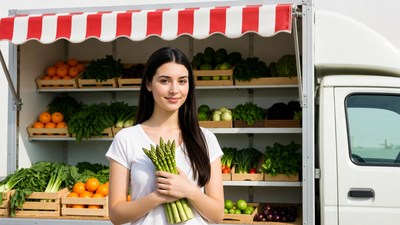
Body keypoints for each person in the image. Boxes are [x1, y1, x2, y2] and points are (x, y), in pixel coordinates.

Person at [105, 47, 224, 225]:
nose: (174, 90)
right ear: (148, 84)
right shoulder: (126, 139)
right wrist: (157, 196)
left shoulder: (206, 138)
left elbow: (217, 215)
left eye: (182, 81)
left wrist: (188, 190)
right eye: (165, 81)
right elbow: (116, 214)